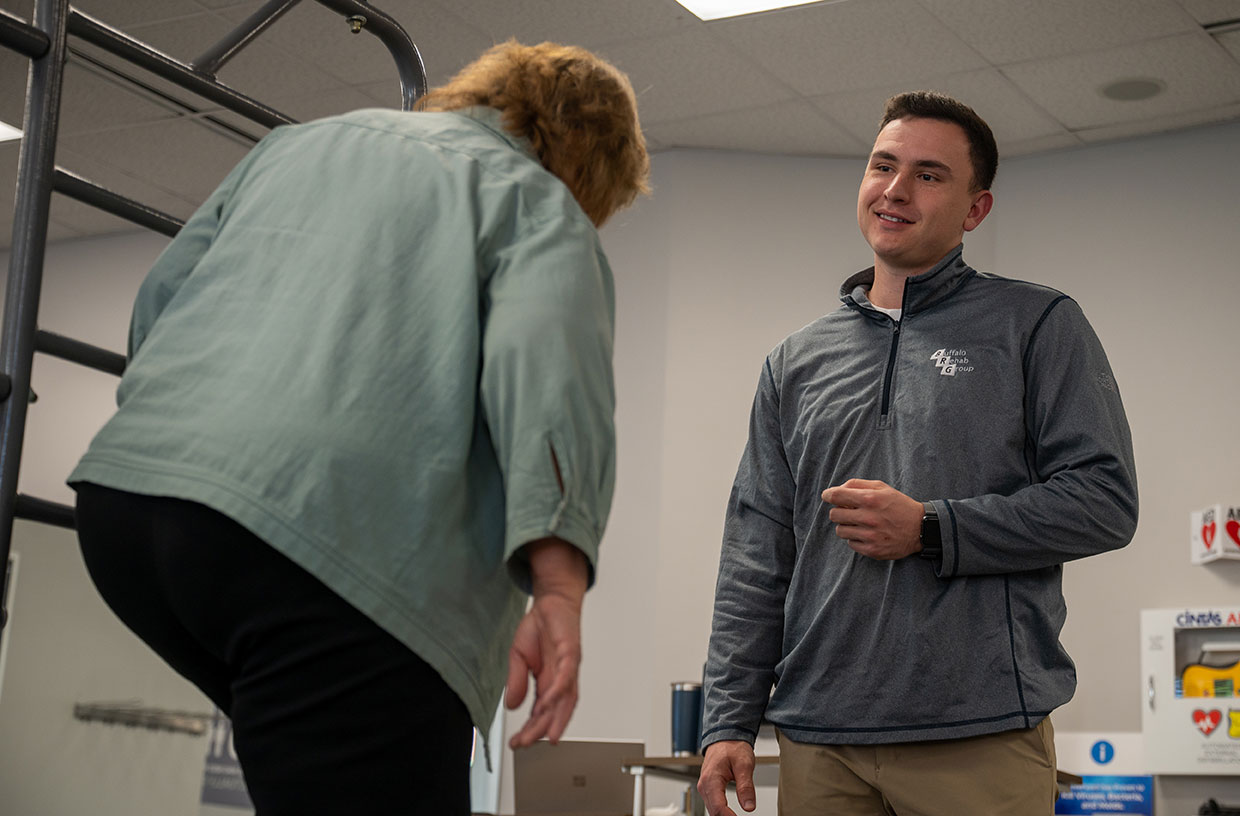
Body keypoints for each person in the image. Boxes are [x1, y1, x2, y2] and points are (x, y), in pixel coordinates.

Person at [67, 40, 649, 815]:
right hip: (320, 554)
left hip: (127, 514)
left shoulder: (299, 145)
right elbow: (548, 386)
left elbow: (159, 307)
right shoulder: (539, 205)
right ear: (593, 170)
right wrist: (558, 590)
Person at [697, 91, 1137, 815]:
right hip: (818, 740)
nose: (896, 190)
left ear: (976, 210)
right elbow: (756, 552)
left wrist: (933, 529)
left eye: (930, 175)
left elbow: (1104, 502)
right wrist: (728, 719)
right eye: (883, 166)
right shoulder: (794, 362)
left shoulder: (1037, 325)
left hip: (980, 732)